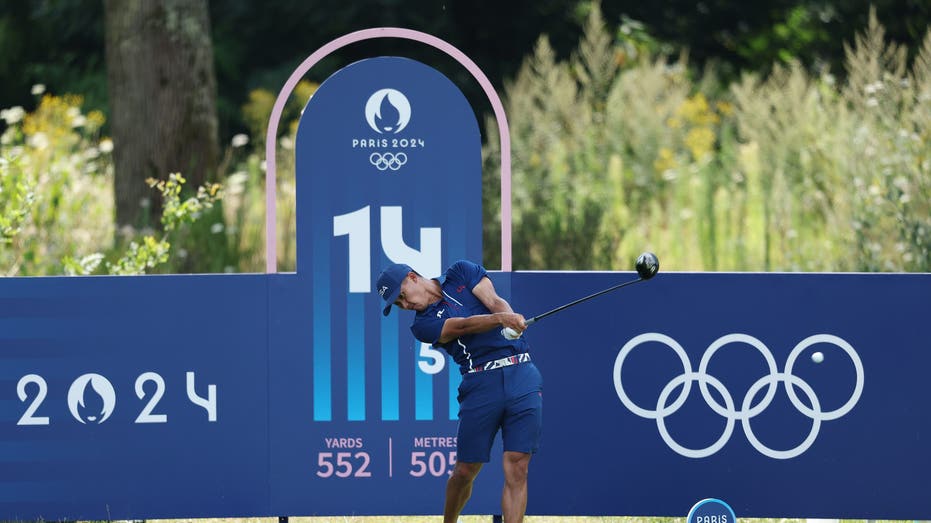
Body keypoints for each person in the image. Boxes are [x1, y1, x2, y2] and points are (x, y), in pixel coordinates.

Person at [377, 259, 543, 523]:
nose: (405, 306)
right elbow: (463, 326)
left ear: (412, 277)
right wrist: (502, 319)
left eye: (402, 297)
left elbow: (494, 301)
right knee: (465, 471)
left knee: (518, 465)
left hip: (521, 373)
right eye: (399, 305)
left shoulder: (461, 272)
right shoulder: (422, 325)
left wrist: (509, 318)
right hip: (480, 383)